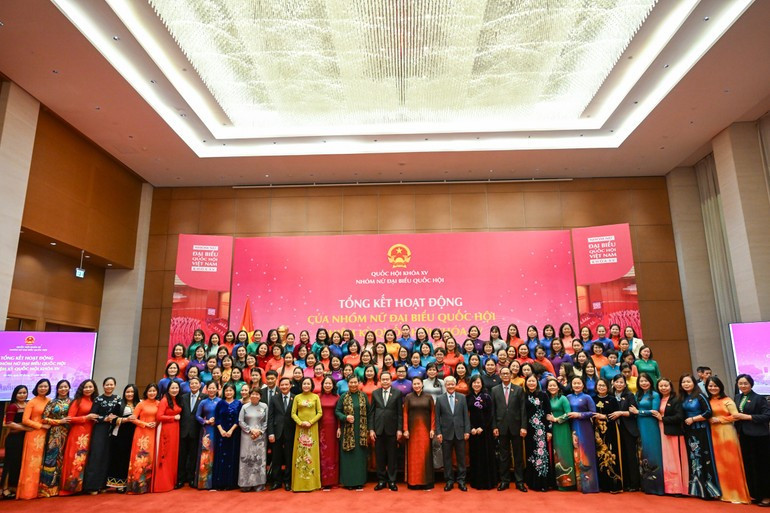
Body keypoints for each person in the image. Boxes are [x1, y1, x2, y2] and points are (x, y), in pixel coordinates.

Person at [706, 376, 750, 504]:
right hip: (713, 434)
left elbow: (736, 416)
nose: (713, 388)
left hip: (727, 433)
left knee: (731, 462)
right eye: (710, 386)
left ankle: (737, 494)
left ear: (720, 387)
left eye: (715, 386)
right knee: (719, 464)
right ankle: (724, 493)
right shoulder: (708, 400)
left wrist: (720, 419)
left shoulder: (727, 400)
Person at [679, 373, 720, 499]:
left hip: (701, 430)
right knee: (694, 460)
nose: (686, 384)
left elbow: (708, 412)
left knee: (704, 458)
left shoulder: (700, 395)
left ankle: (710, 491)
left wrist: (694, 419)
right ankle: (697, 489)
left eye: (688, 382)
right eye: (684, 382)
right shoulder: (683, 397)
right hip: (689, 432)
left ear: (694, 383)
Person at [732, 374, 770, 506]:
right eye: (740, 383)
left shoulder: (759, 398)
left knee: (763, 466)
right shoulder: (737, 397)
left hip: (760, 437)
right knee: (750, 466)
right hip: (744, 436)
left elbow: (766, 416)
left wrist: (747, 417)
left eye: (745, 383)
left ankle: (767, 496)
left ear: (751, 384)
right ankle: (756, 494)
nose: (743, 386)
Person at [490, 366, 527, 492]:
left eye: (507, 373)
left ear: (511, 375)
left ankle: (519, 481)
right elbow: (493, 411)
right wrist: (494, 426)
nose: (505, 375)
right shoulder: (494, 390)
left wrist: (523, 426)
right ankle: (504, 481)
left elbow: (523, 409)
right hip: (501, 427)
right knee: (503, 456)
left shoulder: (518, 390)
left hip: (516, 427)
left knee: (518, 456)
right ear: (500, 376)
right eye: (503, 374)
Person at [59, 379, 99, 495]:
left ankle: (82, 487)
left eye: (90, 387)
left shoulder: (95, 401)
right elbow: (69, 418)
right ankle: (70, 488)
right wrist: (86, 418)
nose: (88, 389)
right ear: (82, 389)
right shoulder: (77, 401)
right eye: (86, 387)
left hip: (90, 433)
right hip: (77, 434)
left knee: (85, 460)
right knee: (75, 459)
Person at [83, 377, 122, 494]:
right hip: (100, 429)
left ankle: (103, 484)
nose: (109, 386)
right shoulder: (98, 399)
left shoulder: (118, 399)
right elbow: (92, 415)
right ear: (103, 386)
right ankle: (92, 486)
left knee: (107, 456)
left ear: (115, 385)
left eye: (111, 384)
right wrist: (105, 419)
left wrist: (114, 418)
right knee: (97, 455)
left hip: (113, 430)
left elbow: (119, 413)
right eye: (107, 384)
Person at [652, 377, 688, 496]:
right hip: (662, 431)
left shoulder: (676, 399)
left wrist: (662, 418)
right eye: (661, 386)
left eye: (666, 386)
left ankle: (679, 488)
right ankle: (669, 487)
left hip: (673, 432)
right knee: (666, 459)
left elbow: (679, 417)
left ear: (671, 386)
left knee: (675, 459)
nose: (663, 388)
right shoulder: (659, 399)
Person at [17, 379, 52, 499]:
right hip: (34, 434)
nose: (43, 388)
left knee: (43, 462)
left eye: (45, 386)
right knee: (32, 463)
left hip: (47, 434)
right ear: (37, 388)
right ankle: (28, 492)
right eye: (41, 386)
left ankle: (40, 491)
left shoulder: (50, 401)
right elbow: (25, 420)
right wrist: (41, 426)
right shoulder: (31, 402)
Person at [435, 376, 471, 491]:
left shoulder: (462, 398)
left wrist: (467, 430)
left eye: (452, 384)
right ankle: (449, 481)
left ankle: (461, 480)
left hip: (460, 432)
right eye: (448, 384)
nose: (450, 386)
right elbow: (437, 418)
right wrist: (439, 432)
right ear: (445, 386)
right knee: (447, 459)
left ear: (455, 385)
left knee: (461, 459)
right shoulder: (440, 399)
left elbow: (466, 415)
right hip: (446, 433)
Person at [369, 371, 403, 491]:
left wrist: (399, 429)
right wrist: (371, 429)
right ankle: (381, 480)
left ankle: (392, 481)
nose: (385, 381)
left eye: (387, 379)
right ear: (380, 380)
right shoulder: (375, 393)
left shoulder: (397, 393)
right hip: (378, 429)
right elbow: (372, 412)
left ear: (391, 380)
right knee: (380, 457)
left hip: (392, 429)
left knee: (392, 457)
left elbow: (400, 413)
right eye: (383, 379)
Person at [38, 379, 71, 497]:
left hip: (68, 433)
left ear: (69, 388)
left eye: (65, 387)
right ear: (57, 389)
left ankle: (62, 487)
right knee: (51, 458)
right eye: (61, 387)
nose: (63, 389)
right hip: (55, 433)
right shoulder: (52, 402)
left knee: (64, 458)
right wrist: (59, 421)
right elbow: (44, 418)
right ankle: (47, 488)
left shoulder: (72, 402)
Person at [335, 376, 370, 489]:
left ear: (359, 383)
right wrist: (345, 417)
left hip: (361, 432)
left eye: (355, 382)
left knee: (360, 457)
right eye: (351, 382)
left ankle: (360, 481)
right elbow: (337, 411)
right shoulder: (343, 397)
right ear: (348, 383)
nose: (354, 384)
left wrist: (369, 428)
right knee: (348, 457)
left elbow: (369, 412)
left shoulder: (363, 396)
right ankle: (349, 482)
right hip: (348, 431)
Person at [567, 376, 599, 493]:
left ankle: (590, 485)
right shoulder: (568, 397)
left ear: (583, 385)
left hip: (585, 427)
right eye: (574, 383)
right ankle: (579, 485)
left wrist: (579, 415)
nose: (576, 385)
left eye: (579, 383)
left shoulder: (587, 397)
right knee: (576, 453)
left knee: (586, 453)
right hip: (573, 427)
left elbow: (593, 412)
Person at [126, 383, 160, 494]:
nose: (152, 393)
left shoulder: (159, 404)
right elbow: (133, 419)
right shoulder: (141, 404)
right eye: (150, 391)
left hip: (153, 433)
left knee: (150, 458)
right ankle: (136, 485)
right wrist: (145, 424)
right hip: (141, 434)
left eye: (154, 391)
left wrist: (156, 423)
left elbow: (160, 417)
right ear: (146, 392)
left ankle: (147, 486)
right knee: (139, 458)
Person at [291, 377, 323, 492]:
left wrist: (310, 422)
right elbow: (293, 413)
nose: (306, 385)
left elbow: (319, 412)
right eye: (304, 383)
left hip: (312, 428)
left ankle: (312, 483)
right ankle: (299, 484)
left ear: (311, 385)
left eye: (308, 384)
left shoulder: (315, 397)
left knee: (311, 454)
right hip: (300, 429)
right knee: (300, 454)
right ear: (301, 385)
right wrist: (300, 422)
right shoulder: (297, 398)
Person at [403, 376, 435, 489]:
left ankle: (426, 482)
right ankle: (413, 482)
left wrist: (432, 429)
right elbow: (405, 413)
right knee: (413, 457)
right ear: (412, 385)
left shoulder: (428, 397)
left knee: (425, 456)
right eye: (414, 384)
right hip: (412, 431)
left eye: (418, 384)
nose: (416, 386)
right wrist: (405, 429)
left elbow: (433, 413)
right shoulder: (408, 397)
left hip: (425, 431)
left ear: (422, 384)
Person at [106, 384, 139, 492]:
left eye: (132, 392)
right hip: (120, 435)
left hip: (134, 435)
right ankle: (118, 484)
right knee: (120, 459)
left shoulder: (139, 404)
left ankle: (130, 482)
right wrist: (126, 419)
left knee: (130, 459)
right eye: (127, 392)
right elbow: (112, 420)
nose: (129, 394)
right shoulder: (119, 404)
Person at [611, 373, 641, 491]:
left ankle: (634, 483)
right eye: (617, 382)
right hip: (615, 429)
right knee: (620, 455)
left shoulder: (629, 395)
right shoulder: (610, 395)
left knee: (630, 456)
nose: (619, 384)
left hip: (628, 429)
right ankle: (624, 482)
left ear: (625, 384)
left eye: (621, 382)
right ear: (613, 383)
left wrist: (621, 413)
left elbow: (633, 412)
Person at [467, 375, 498, 490]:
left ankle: (488, 481)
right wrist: (471, 428)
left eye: (478, 382)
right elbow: (466, 415)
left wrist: (483, 427)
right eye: (474, 383)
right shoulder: (468, 397)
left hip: (485, 431)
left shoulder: (487, 397)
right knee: (475, 456)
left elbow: (490, 414)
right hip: (473, 432)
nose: (476, 384)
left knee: (486, 455)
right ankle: (476, 481)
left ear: (482, 384)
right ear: (471, 384)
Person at [592, 378, 622, 493]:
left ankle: (614, 485)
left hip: (610, 430)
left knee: (610, 454)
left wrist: (604, 417)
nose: (601, 387)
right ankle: (602, 485)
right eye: (599, 385)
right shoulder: (593, 399)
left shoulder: (612, 399)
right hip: (597, 432)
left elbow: (616, 415)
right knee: (599, 456)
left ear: (608, 387)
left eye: (603, 385)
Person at [636, 372, 664, 495]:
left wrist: (639, 411)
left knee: (654, 452)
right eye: (641, 381)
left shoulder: (655, 394)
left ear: (650, 382)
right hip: (640, 424)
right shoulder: (638, 394)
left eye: (646, 381)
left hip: (651, 426)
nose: (644, 383)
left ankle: (657, 486)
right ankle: (646, 486)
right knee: (643, 453)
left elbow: (654, 411)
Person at [545, 377, 576, 490]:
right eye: (550, 386)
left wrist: (556, 419)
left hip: (562, 428)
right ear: (547, 388)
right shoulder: (546, 398)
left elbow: (569, 414)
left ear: (558, 387)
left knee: (563, 453)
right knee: (553, 454)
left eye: (554, 385)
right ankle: (555, 482)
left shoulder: (563, 398)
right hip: (550, 429)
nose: (552, 387)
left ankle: (567, 483)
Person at [523, 375, 551, 492]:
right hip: (529, 430)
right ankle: (531, 481)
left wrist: (549, 430)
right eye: (529, 381)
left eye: (533, 381)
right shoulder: (524, 396)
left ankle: (543, 483)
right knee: (531, 455)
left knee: (542, 455)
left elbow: (548, 413)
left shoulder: (543, 395)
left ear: (537, 382)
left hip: (541, 430)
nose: (531, 383)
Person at [267, 377, 295, 490]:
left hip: (290, 432)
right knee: (276, 458)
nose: (284, 387)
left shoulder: (295, 398)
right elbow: (270, 417)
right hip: (276, 432)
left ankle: (287, 481)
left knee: (289, 457)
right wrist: (270, 433)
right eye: (282, 385)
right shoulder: (274, 398)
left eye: (286, 385)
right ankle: (276, 481)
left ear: (290, 385)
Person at [2, 385, 30, 499]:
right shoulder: (13, 406)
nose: (22, 395)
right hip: (14, 439)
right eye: (20, 393)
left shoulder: (28, 405)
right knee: (9, 464)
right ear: (15, 394)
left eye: (24, 393)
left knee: (18, 464)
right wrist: (25, 428)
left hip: (25, 438)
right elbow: (9, 423)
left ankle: (14, 487)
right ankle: (4, 488)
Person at [213, 383, 242, 490]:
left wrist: (230, 430)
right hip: (221, 434)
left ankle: (230, 483)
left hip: (234, 434)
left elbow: (238, 419)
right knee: (221, 457)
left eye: (231, 390)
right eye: (226, 391)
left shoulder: (238, 404)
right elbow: (217, 418)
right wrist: (221, 430)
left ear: (234, 392)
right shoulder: (220, 403)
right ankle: (220, 483)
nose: (228, 393)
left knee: (232, 456)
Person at [238, 387, 268, 491]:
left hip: (260, 437)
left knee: (259, 459)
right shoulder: (245, 407)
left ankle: (259, 484)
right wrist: (250, 430)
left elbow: (266, 421)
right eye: (252, 394)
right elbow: (240, 421)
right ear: (249, 395)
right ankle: (245, 484)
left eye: (257, 394)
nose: (254, 396)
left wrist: (260, 431)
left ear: (260, 396)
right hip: (247, 436)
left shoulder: (264, 406)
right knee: (247, 458)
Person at [176, 376, 202, 488]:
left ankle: (191, 478)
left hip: (196, 431)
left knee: (193, 456)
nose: (194, 385)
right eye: (192, 383)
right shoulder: (183, 397)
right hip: (183, 430)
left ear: (200, 385)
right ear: (189, 385)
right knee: (182, 456)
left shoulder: (204, 397)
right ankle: (180, 479)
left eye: (196, 383)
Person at [194, 381, 221, 489]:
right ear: (207, 389)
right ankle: (204, 482)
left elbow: (223, 415)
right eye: (210, 388)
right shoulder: (203, 402)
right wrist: (206, 422)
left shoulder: (220, 402)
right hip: (206, 431)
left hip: (217, 430)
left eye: (214, 388)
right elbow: (197, 416)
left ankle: (215, 482)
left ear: (217, 389)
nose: (211, 390)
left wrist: (216, 420)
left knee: (216, 454)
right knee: (205, 454)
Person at [318, 376, 340, 489]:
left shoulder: (337, 397)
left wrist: (339, 428)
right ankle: (322, 479)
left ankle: (332, 479)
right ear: (322, 385)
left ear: (333, 385)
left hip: (333, 427)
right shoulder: (317, 397)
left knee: (332, 453)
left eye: (329, 383)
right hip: (320, 428)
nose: (327, 385)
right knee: (321, 453)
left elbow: (339, 413)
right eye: (325, 383)